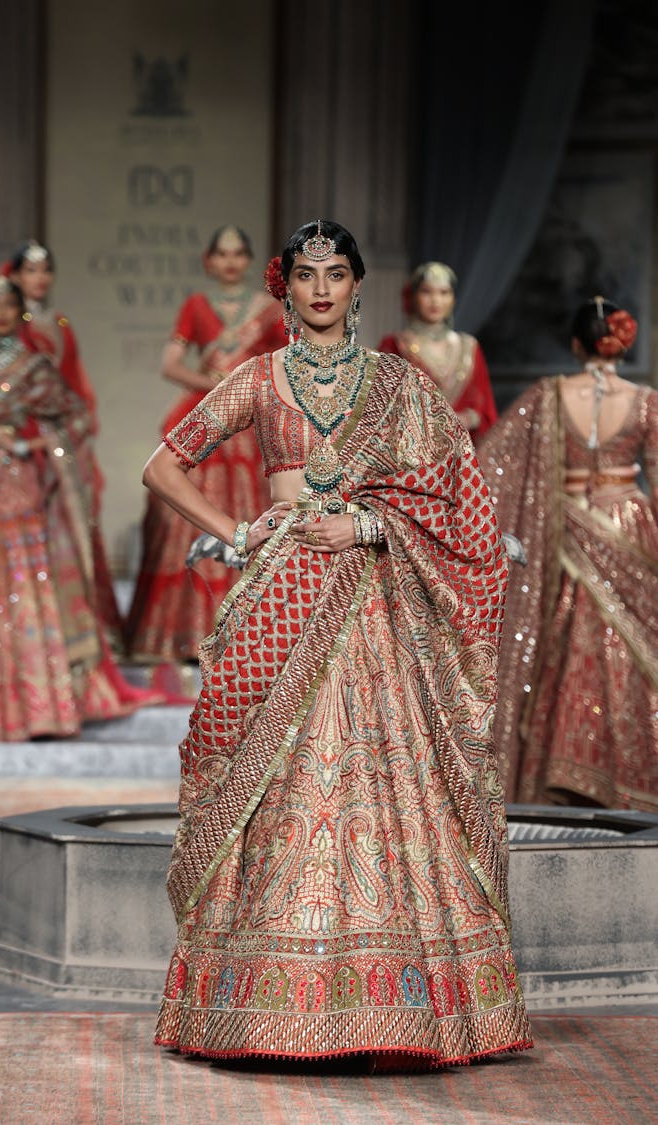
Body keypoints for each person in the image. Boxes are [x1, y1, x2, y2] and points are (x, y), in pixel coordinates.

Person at [142, 220, 532, 1066]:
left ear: (359, 286)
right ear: (286, 287)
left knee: (384, 769)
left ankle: (395, 1009)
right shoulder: (258, 377)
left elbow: (454, 494)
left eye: (339, 274)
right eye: (308, 274)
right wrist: (241, 533)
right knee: (255, 768)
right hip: (279, 587)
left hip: (376, 599)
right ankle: (247, 1006)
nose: (322, 289)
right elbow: (163, 465)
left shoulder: (398, 382)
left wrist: (364, 521)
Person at [0, 277, 151, 741]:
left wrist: (29, 442)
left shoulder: (35, 367)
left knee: (21, 577)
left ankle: (34, 706)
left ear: (21, 313)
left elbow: (75, 417)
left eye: (8, 307)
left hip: (16, 484)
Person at [477, 296, 658, 811]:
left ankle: (565, 770)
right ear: (622, 343)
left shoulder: (547, 395)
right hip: (629, 525)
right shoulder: (646, 402)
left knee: (566, 640)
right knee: (627, 656)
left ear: (576, 345)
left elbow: (492, 463)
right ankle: (631, 778)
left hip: (565, 529)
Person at [124, 225, 287, 700]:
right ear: (209, 260)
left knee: (258, 513)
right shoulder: (197, 305)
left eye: (240, 254)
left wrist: (246, 383)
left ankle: (243, 632)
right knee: (180, 520)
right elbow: (170, 364)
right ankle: (180, 635)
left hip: (251, 430)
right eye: (223, 254)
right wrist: (211, 379)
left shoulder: (270, 311)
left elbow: (287, 361)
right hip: (208, 418)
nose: (231, 262)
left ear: (249, 260)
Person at [3, 238, 124, 650]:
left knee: (69, 528)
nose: (39, 279)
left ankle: (74, 629)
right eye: (31, 271)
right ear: (15, 275)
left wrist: (79, 423)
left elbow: (74, 383)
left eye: (45, 270)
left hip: (60, 436)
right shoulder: (7, 323)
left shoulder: (58, 325)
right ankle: (24, 628)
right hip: (21, 438)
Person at [378, 261, 497, 442]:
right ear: (413, 296)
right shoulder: (395, 346)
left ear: (453, 298)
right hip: (414, 455)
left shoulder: (469, 347)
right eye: (427, 291)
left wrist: (469, 417)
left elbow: (486, 411)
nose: (436, 300)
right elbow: (381, 409)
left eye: (444, 292)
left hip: (463, 453)